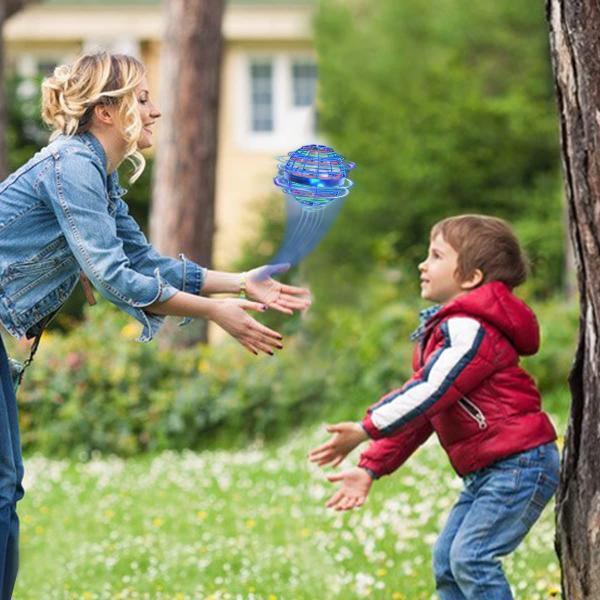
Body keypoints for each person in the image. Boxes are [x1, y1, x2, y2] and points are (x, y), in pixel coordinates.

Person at [0, 51, 310, 598]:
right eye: (142, 99)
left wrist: (239, 281)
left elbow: (146, 265)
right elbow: (115, 276)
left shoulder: (95, 172)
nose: (157, 111)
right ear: (107, 112)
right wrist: (214, 311)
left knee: (6, 489)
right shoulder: (72, 164)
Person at [309, 214, 559, 600]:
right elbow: (425, 411)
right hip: (491, 470)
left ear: (471, 277)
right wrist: (370, 468)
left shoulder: (470, 329)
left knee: (471, 559)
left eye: (436, 255)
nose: (423, 264)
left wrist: (366, 428)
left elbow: (429, 391)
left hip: (518, 464)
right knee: (448, 561)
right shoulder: (451, 329)